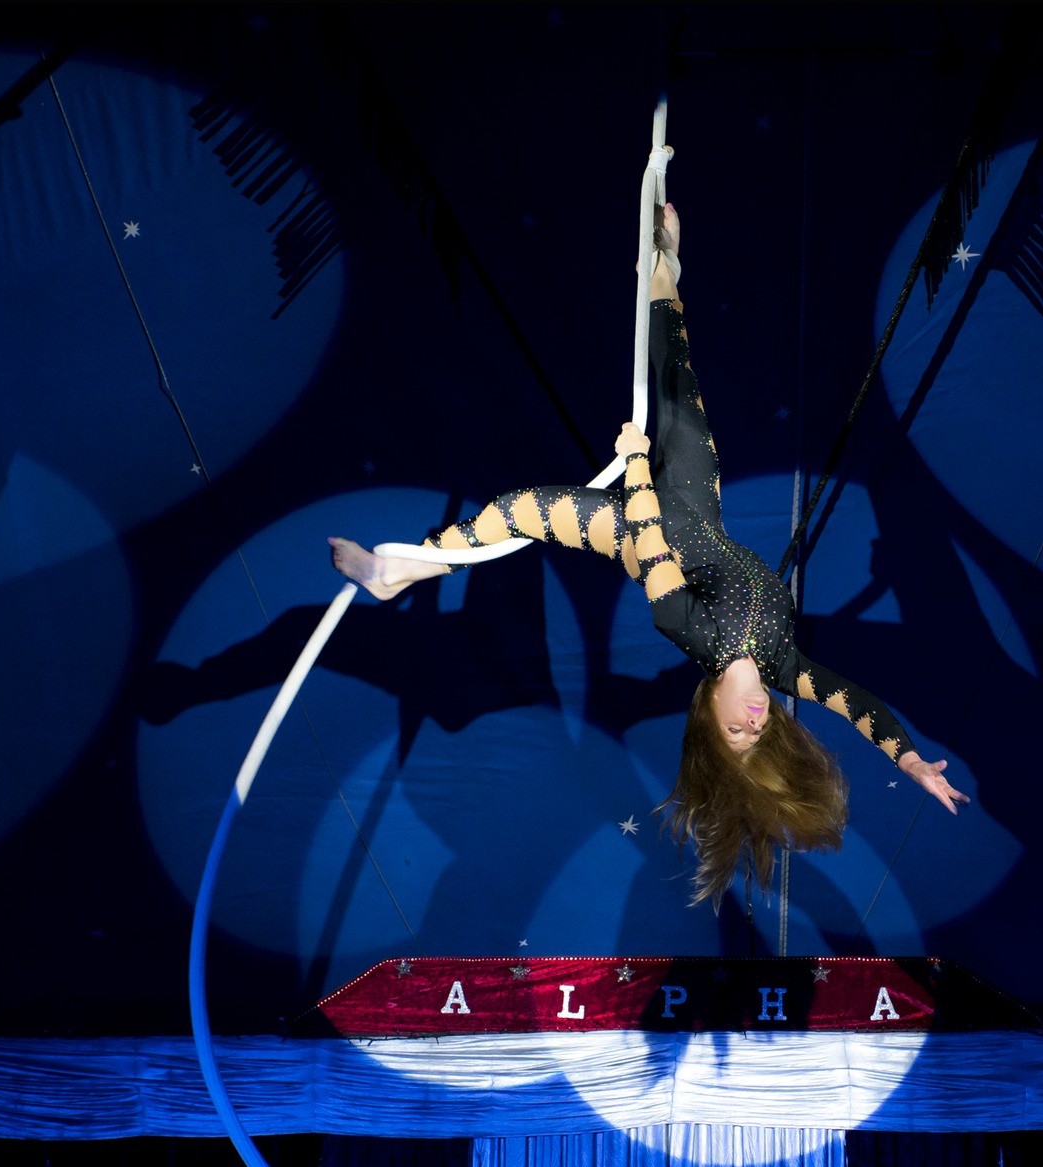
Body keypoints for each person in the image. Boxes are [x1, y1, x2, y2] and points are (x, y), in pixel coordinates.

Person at [330, 203, 966, 905]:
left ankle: (396, 569)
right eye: (759, 732)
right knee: (678, 383)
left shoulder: (687, 630)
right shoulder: (786, 668)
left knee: (517, 511)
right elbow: (860, 706)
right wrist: (910, 760)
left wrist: (635, 463)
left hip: (635, 526)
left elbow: (653, 542)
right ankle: (663, 274)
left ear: (709, 710)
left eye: (734, 729)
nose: (753, 720)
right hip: (700, 505)